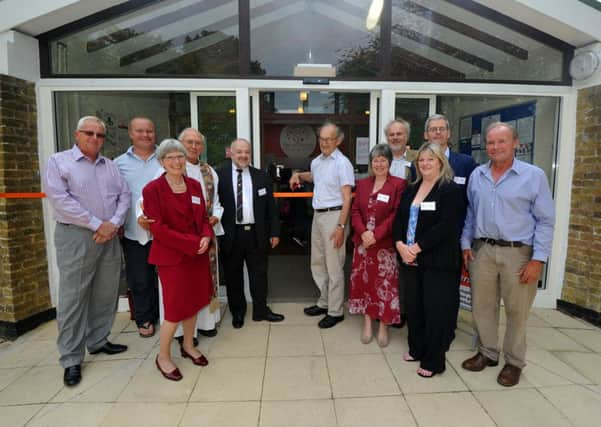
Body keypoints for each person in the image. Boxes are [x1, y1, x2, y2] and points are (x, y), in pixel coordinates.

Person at [460, 122, 555, 387]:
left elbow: (546, 221)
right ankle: (488, 353)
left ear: (515, 143)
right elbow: (470, 213)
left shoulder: (533, 176)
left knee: (517, 311)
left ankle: (514, 362)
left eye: (501, 141)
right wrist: (466, 244)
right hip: (483, 250)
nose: (495, 147)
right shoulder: (478, 175)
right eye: (490, 142)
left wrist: (538, 259)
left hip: (519, 253)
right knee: (483, 307)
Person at [44, 116, 130, 387]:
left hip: (109, 235)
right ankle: (71, 358)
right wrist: (98, 224)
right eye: (89, 133)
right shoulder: (58, 162)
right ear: (76, 134)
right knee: (73, 297)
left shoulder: (111, 166)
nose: (94, 138)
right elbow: (60, 200)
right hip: (77, 236)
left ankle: (98, 340)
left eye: (100, 135)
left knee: (106, 292)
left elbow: (125, 196)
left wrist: (113, 224)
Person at [142, 139, 213, 381]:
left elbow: (203, 218)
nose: (176, 161)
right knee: (174, 310)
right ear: (161, 162)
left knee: (193, 303)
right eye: (170, 157)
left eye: (180, 156)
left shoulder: (194, 185)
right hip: (172, 258)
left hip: (197, 256)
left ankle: (189, 346)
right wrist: (193, 243)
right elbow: (158, 229)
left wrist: (205, 236)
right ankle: (163, 356)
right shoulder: (152, 190)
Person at [393, 143, 463, 378]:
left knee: (436, 311)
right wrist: (400, 245)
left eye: (430, 160)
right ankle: (417, 348)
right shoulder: (411, 189)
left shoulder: (450, 190)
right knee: (415, 307)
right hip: (410, 260)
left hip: (438, 261)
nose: (424, 164)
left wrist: (417, 247)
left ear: (441, 163)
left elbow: (447, 226)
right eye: (421, 160)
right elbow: (399, 219)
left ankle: (434, 360)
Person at [289, 122, 355, 328]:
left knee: (334, 265)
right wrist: (298, 174)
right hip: (318, 217)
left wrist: (341, 227)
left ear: (338, 140)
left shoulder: (342, 163)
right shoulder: (318, 161)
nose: (325, 143)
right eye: (322, 139)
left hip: (335, 217)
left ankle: (335, 311)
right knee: (318, 262)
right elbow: (313, 176)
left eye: (329, 139)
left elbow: (347, 199)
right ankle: (324, 302)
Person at [217, 138, 284, 329]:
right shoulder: (219, 176)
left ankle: (261, 310)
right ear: (231, 152)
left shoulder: (261, 176)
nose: (243, 155)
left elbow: (271, 208)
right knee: (233, 275)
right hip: (231, 235)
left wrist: (275, 232)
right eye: (239, 152)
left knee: (259, 274)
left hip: (257, 233)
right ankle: (237, 312)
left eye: (247, 152)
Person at [349, 144, 407, 347]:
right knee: (364, 283)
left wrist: (376, 234)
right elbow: (355, 211)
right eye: (375, 160)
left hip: (384, 246)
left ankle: (383, 324)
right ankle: (367, 322)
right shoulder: (363, 184)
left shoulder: (399, 184)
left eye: (383, 159)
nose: (379, 163)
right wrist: (363, 232)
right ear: (370, 163)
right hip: (363, 244)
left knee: (385, 286)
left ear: (389, 162)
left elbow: (396, 215)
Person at [115, 117, 161, 338]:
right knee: (140, 278)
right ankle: (144, 318)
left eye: (150, 131)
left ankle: (165, 314)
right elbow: (114, 197)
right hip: (134, 231)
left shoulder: (166, 158)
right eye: (140, 131)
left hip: (165, 232)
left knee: (166, 278)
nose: (146, 135)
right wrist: (118, 223)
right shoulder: (118, 164)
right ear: (131, 134)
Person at [385, 118, 413, 328]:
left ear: (406, 137)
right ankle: (384, 306)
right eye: (391, 134)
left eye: (399, 134)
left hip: (404, 222)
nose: (395, 137)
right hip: (382, 223)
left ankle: (402, 310)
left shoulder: (415, 160)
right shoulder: (380, 158)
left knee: (403, 270)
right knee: (384, 268)